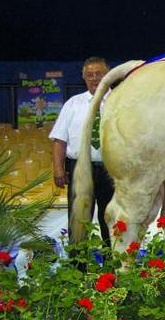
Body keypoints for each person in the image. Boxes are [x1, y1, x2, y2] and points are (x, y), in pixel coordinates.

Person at [49, 57, 115, 246]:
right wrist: (58, 169)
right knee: (78, 223)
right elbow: (60, 140)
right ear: (84, 78)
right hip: (79, 169)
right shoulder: (72, 104)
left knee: (111, 222)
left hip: (112, 171)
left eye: (98, 74)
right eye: (89, 75)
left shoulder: (120, 102)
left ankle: (112, 272)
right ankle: (77, 271)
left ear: (108, 75)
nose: (94, 79)